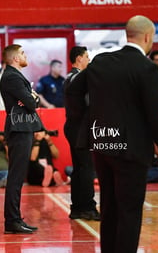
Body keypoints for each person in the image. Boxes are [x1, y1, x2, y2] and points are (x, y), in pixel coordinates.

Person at [80, 15, 158, 252]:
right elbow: (156, 116)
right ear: (147, 37)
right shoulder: (147, 69)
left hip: (103, 145)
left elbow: (77, 93)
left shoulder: (100, 62)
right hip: (132, 150)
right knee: (129, 212)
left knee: (110, 208)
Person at [0, 44, 44, 234]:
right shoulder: (11, 77)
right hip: (18, 128)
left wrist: (31, 98)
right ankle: (12, 221)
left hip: (22, 127)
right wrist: (30, 98)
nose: (26, 56)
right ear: (16, 58)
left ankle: (15, 218)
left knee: (18, 176)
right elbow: (31, 103)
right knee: (16, 177)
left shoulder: (14, 76)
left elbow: (32, 99)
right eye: (23, 53)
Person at [63, 46, 100, 221]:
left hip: (74, 126)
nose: (89, 60)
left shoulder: (71, 77)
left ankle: (77, 207)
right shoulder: (78, 77)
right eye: (87, 56)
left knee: (79, 168)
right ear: (79, 58)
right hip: (80, 128)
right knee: (86, 167)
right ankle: (87, 207)